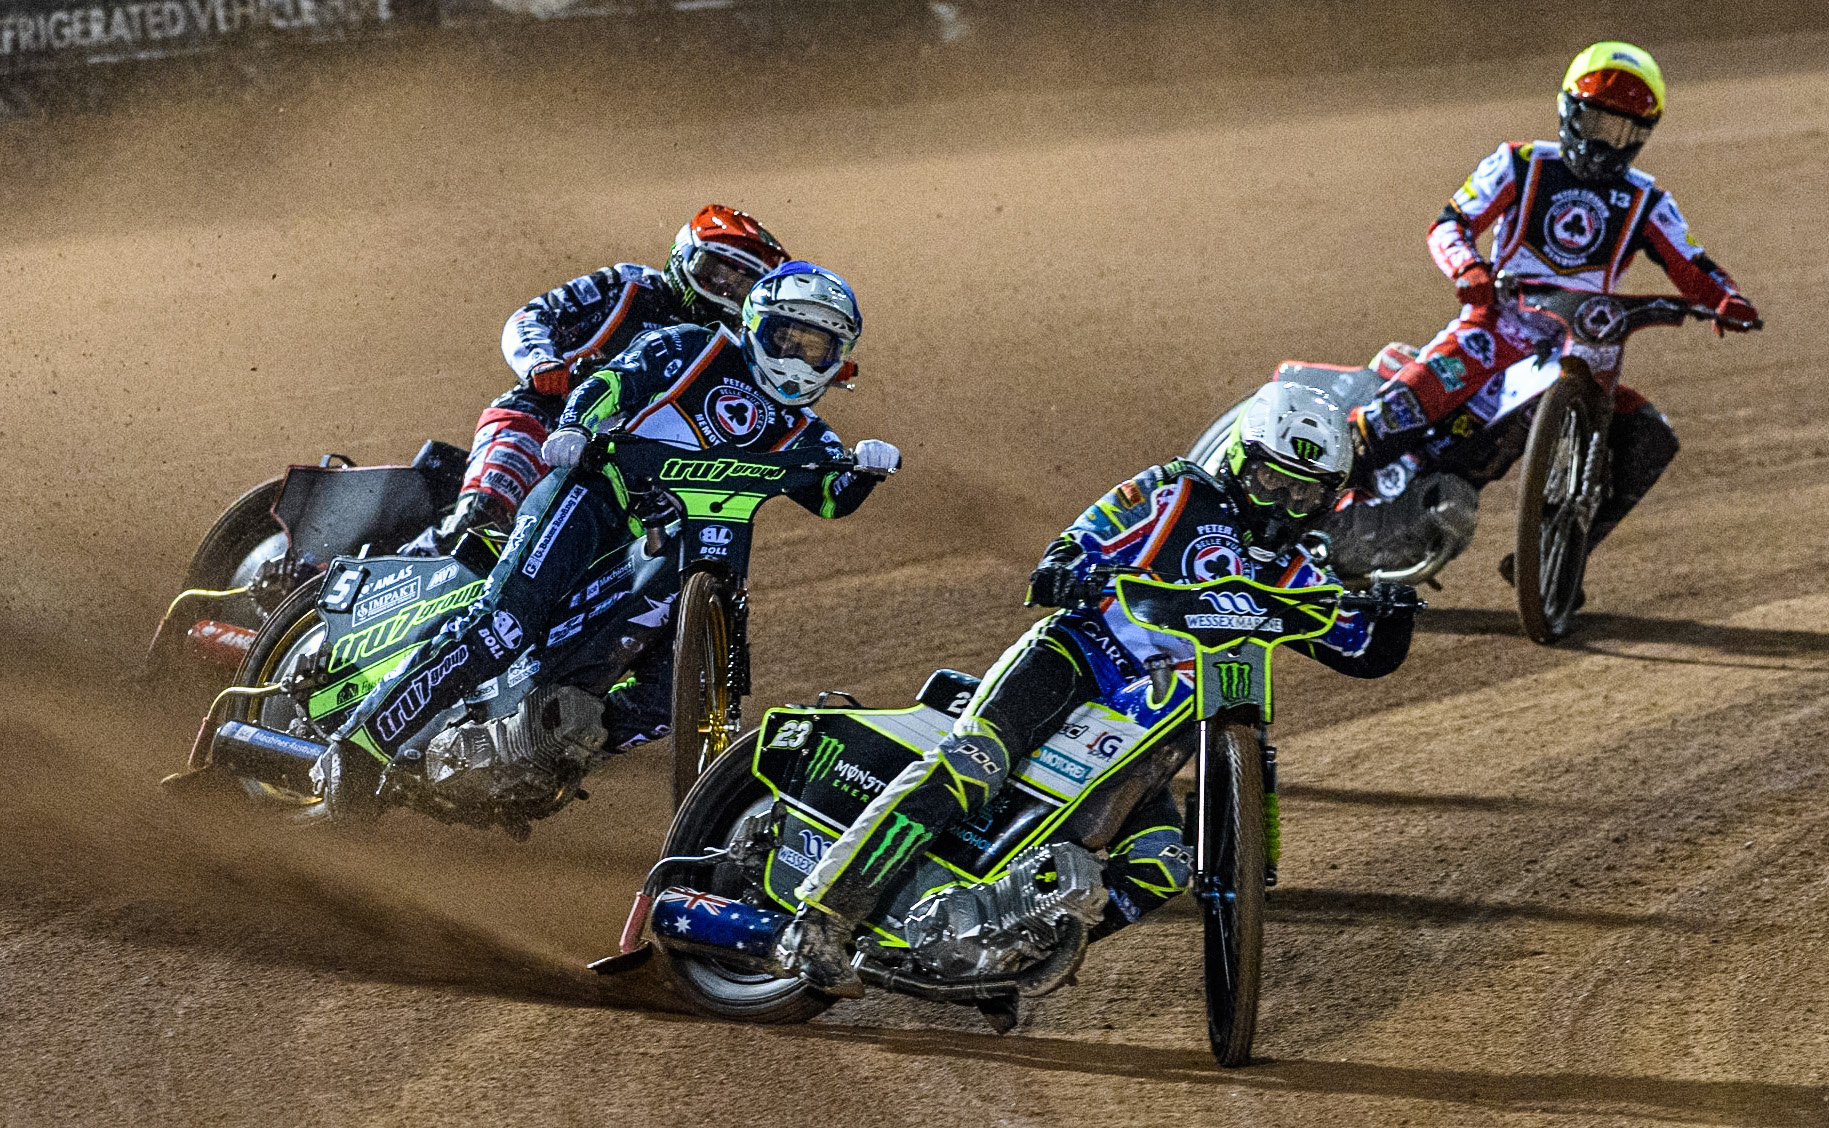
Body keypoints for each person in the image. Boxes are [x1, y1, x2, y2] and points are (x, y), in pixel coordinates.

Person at [774, 382, 1417, 996]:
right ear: (1239, 460)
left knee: (1162, 862)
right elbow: (1087, 535)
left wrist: (1394, 612)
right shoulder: (1174, 492)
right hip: (1077, 659)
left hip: (1150, 733)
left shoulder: (1300, 569)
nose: (1281, 506)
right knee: (974, 763)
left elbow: (1361, 650)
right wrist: (1067, 567)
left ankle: (1013, 953)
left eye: (1302, 495)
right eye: (1272, 480)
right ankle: (823, 918)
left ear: (1328, 500)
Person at [313, 262, 902, 817]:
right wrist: (575, 427)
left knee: (673, 702)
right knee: (504, 624)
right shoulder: (691, 346)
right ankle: (361, 744)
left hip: (687, 544)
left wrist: (864, 470)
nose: (797, 358)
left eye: (815, 346)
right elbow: (612, 381)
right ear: (753, 326)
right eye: (785, 337)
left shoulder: (806, 432)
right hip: (595, 497)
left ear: (839, 362)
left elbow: (831, 497)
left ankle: (545, 747)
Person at [1350, 41, 1759, 584]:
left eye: (1621, 133)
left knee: (1650, 439)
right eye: (1594, 122)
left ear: (1641, 137)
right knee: (1392, 418)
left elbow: (1692, 264)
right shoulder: (1519, 163)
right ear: (1568, 110)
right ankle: (1294, 498)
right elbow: (1450, 224)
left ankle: (1555, 564)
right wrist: (1469, 270)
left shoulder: (1648, 201)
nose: (1603, 143)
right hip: (1495, 328)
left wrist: (1727, 300)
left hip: (1580, 350)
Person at [427, 206, 792, 547]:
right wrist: (542, 364)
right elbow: (533, 316)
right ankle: (414, 563)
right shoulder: (629, 285)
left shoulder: (736, 353)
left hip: (628, 474)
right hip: (542, 421)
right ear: (682, 257)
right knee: (477, 523)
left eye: (742, 286)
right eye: (714, 273)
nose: (725, 291)